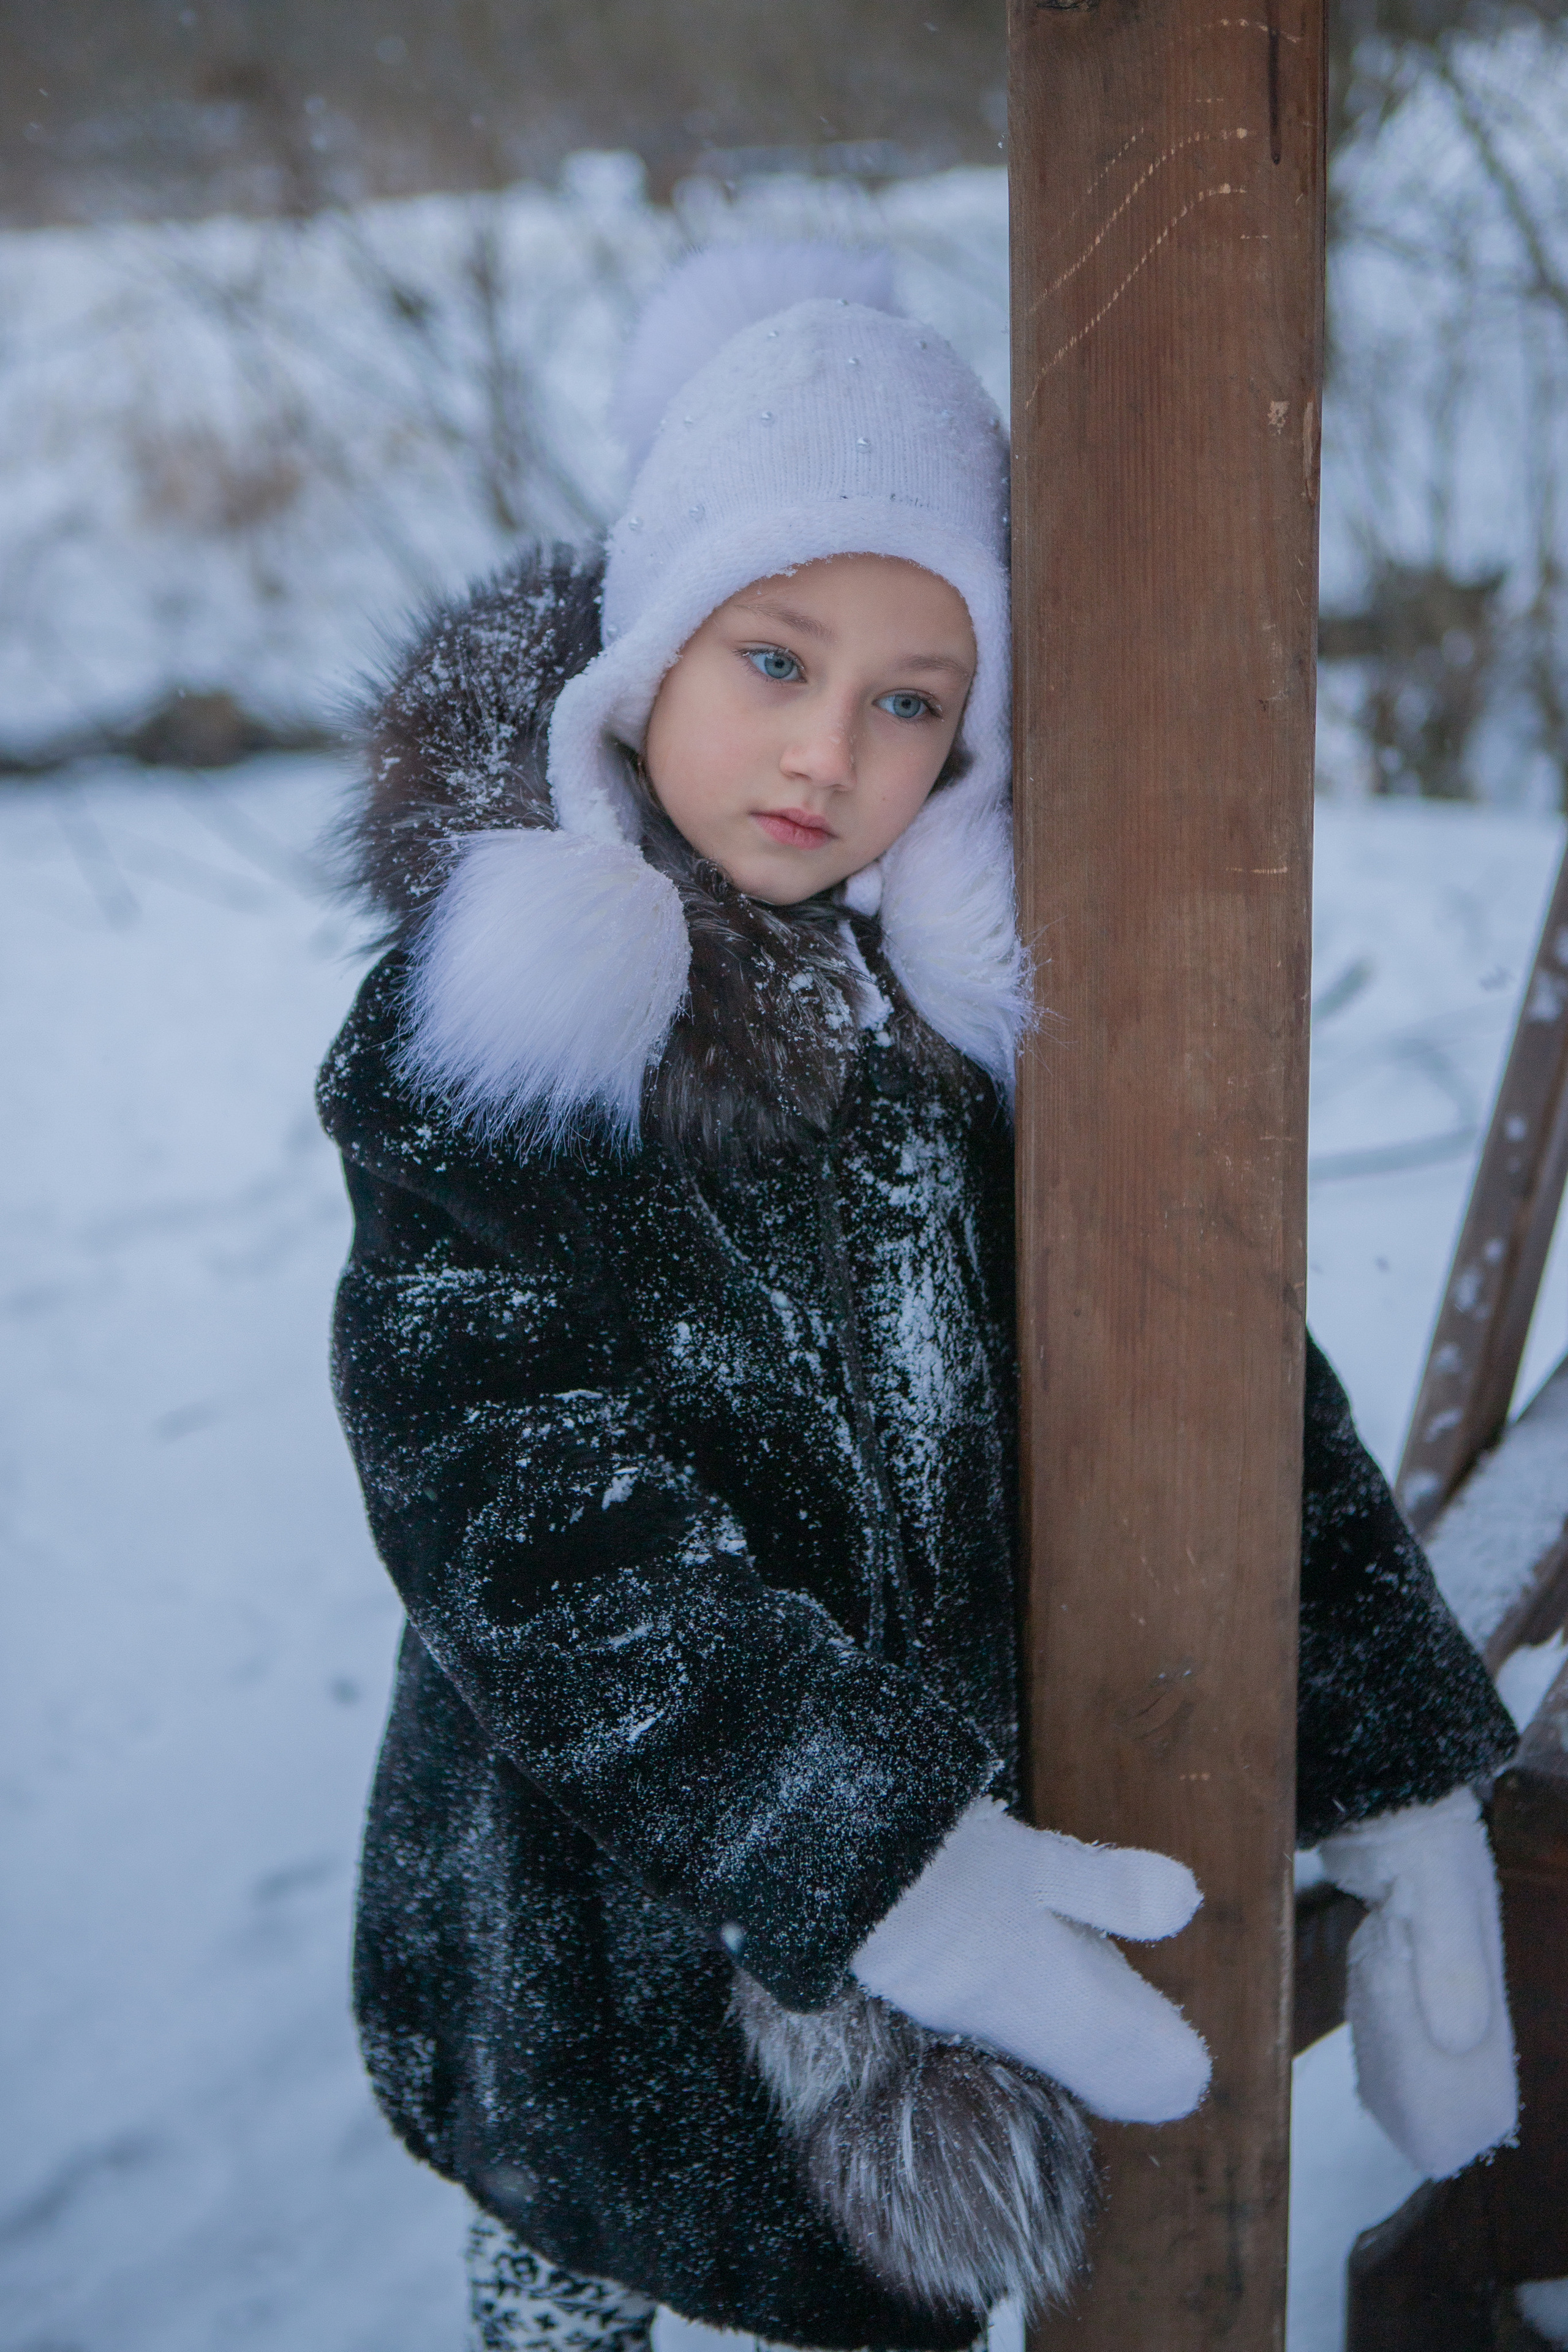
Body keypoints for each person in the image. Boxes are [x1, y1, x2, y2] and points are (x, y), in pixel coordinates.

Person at [319, 244, 1519, 2352]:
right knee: (583, 2292)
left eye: (910, 700)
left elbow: (1204, 1392)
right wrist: (857, 1840)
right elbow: (519, 1510)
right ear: (648, 648)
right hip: (613, 1951)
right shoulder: (518, 1041)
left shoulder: (956, 1030)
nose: (828, 753)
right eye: (774, 659)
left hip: (953, 1945)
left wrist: (1396, 1765)